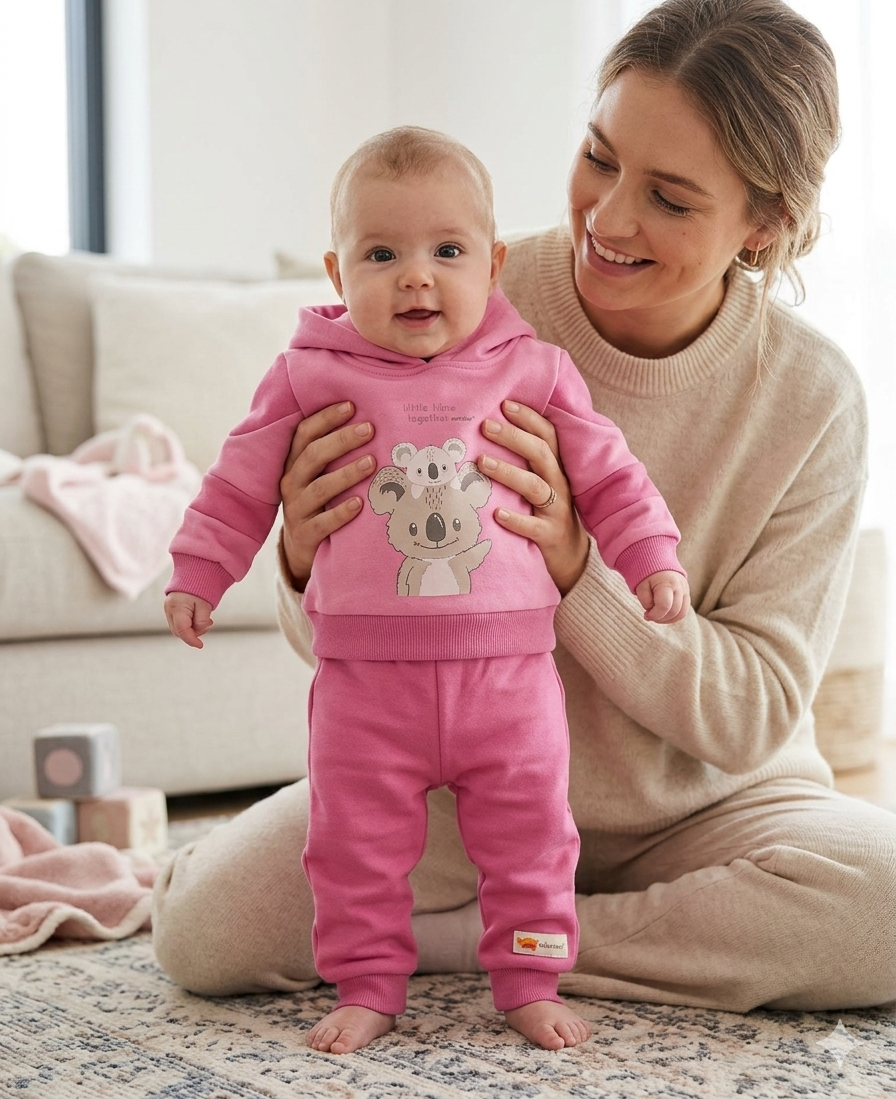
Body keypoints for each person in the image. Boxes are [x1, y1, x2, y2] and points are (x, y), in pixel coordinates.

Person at [153, 0, 896, 1051]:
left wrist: (575, 569)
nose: (608, 216)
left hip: (704, 812)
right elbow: (351, 624)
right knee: (201, 930)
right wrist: (303, 556)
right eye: (598, 155)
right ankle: (491, 917)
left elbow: (749, 715)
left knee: (879, 911)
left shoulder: (808, 398)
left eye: (671, 198)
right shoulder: (449, 290)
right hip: (451, 786)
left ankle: (490, 940)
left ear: (763, 222)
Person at [162, 125, 690, 1053]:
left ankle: (528, 975)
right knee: (352, 846)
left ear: (491, 266)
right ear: (337, 273)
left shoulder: (535, 368)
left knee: (532, 840)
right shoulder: (304, 376)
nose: (416, 276)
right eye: (382, 254)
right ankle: (368, 981)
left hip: (512, 679)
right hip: (367, 686)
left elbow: (612, 476)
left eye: (446, 252)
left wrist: (652, 559)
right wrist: (201, 572)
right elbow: (239, 484)